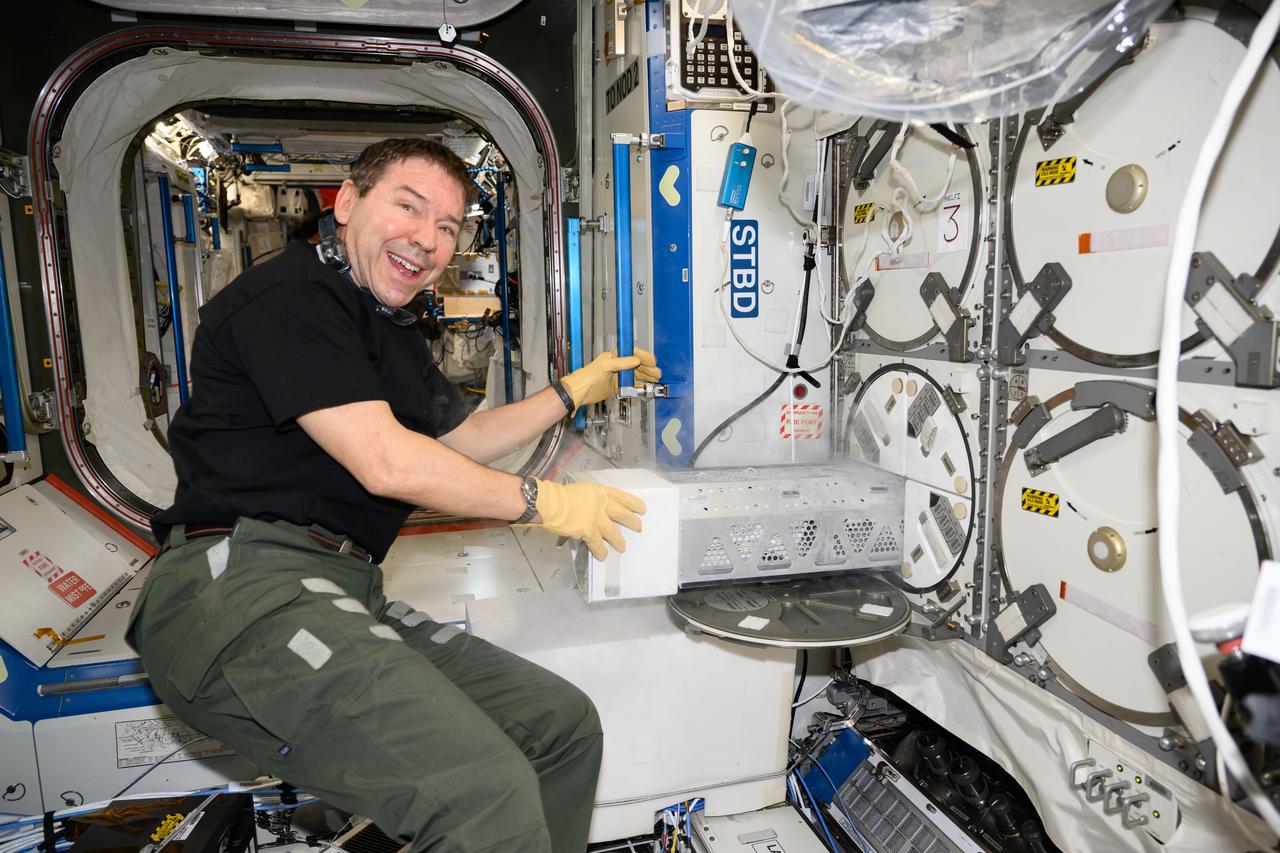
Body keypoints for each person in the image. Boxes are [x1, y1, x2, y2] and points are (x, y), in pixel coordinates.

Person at [126, 137, 661, 853]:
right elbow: (386, 462)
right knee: (483, 793)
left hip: (340, 584)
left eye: (447, 226)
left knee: (560, 726)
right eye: (408, 208)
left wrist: (573, 390)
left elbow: (464, 440)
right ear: (347, 202)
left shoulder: (389, 329)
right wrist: (546, 503)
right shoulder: (291, 298)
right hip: (240, 586)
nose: (427, 239)